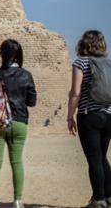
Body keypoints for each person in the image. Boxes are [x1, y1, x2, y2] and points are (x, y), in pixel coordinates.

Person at [0, 39, 37, 208]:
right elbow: (32, 102)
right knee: (17, 162)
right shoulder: (26, 75)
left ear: (2, 55)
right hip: (18, 123)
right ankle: (18, 201)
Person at [67, 30, 111, 208]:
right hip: (109, 115)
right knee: (102, 157)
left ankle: (98, 200)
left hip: (89, 116)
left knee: (94, 158)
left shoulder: (81, 62)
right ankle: (109, 197)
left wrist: (70, 116)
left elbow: (75, 92)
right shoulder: (108, 63)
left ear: (83, 43)